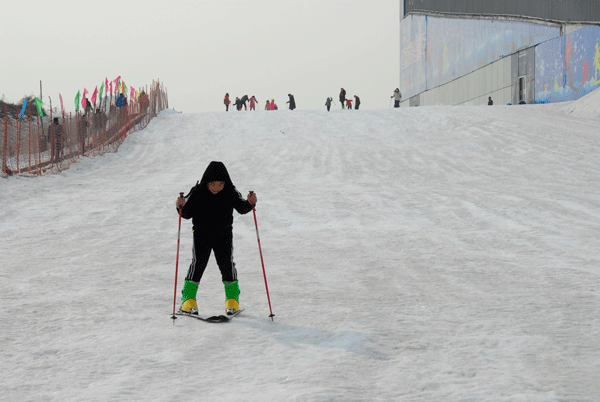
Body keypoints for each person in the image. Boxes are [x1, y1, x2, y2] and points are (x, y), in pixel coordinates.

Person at [175, 161, 257, 315]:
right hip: (201, 234)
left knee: (227, 265)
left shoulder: (230, 191)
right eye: (213, 184)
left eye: (220, 184)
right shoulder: (197, 191)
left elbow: (241, 207)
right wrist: (180, 206)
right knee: (198, 264)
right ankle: (188, 300)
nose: (216, 188)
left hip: (224, 235)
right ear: (207, 182)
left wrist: (250, 203)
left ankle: (232, 300)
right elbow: (186, 213)